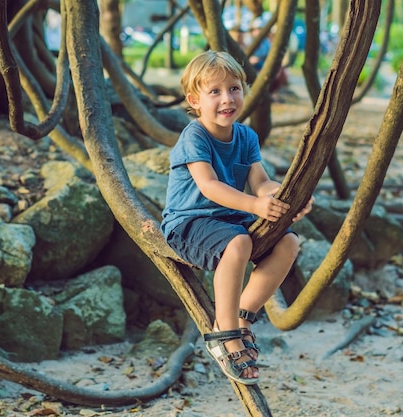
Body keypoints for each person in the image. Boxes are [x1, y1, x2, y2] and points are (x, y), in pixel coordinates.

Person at [160, 51, 314, 385]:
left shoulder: (245, 136)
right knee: (238, 241)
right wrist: (254, 207)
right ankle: (225, 332)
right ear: (194, 100)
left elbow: (261, 184)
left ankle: (243, 316)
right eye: (214, 92)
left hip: (228, 221)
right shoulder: (195, 136)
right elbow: (209, 185)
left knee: (288, 241)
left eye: (234, 88)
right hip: (187, 223)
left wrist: (289, 199)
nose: (227, 99)